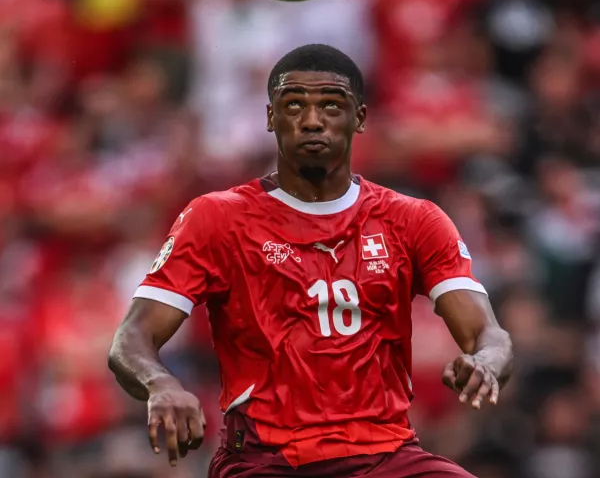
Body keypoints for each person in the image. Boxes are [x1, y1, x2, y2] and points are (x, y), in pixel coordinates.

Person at [108, 44, 513, 477]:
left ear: (359, 118)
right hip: (267, 461)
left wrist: (486, 362)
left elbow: (488, 334)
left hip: (386, 456)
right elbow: (130, 340)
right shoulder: (218, 218)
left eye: (331, 106)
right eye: (294, 104)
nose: (313, 120)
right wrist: (162, 384)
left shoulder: (413, 220)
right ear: (270, 118)